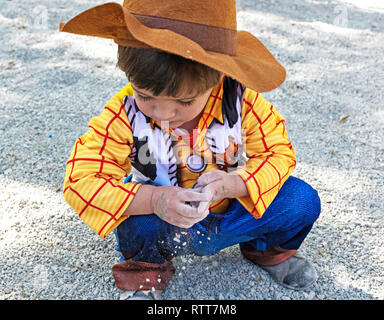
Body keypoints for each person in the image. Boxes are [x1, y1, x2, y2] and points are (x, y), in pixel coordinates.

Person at [60, 0, 321, 300]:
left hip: (230, 212)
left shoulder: (240, 100)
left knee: (301, 200)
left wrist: (233, 184)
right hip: (163, 224)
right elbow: (80, 180)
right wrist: (155, 199)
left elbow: (279, 153)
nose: (163, 114)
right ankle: (148, 271)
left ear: (218, 76)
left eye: (184, 101)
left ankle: (266, 251)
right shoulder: (123, 114)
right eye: (145, 96)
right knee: (133, 219)